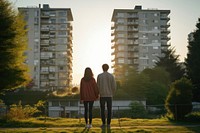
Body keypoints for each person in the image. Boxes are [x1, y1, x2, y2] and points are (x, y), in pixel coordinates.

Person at [97, 64, 116, 128]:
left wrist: (98, 93)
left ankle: (103, 123)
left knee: (102, 110)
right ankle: (108, 124)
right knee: (109, 109)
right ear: (108, 68)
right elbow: (114, 86)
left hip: (102, 95)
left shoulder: (99, 76)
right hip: (109, 95)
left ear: (102, 68)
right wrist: (112, 92)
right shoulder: (111, 76)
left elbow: (98, 86)